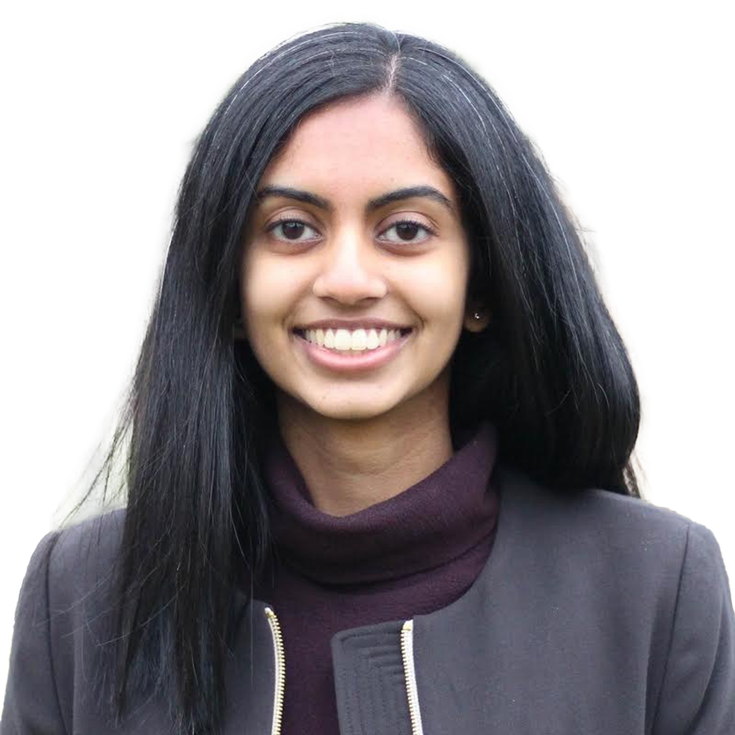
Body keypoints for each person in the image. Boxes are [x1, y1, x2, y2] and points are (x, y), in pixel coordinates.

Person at [1, 17, 732, 735]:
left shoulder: (656, 591)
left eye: (406, 230)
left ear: (480, 285)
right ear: (229, 285)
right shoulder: (81, 597)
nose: (348, 280)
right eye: (292, 228)